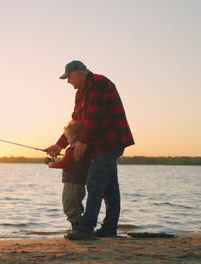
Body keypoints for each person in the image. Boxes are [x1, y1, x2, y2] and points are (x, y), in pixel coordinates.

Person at [45, 60, 134, 240]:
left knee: (94, 182)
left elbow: (95, 116)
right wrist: (60, 144)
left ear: (79, 73)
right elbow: (76, 122)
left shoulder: (99, 84)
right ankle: (109, 229)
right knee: (110, 187)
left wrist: (83, 141)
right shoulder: (81, 93)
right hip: (98, 143)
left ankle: (85, 229)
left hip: (111, 141)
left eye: (68, 77)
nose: (68, 82)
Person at [46, 120, 91, 232]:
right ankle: (81, 228)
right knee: (77, 206)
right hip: (80, 183)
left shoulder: (72, 149)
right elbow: (71, 162)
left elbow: (65, 163)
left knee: (69, 205)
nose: (67, 140)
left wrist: (52, 164)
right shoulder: (84, 149)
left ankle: (77, 229)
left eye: (67, 137)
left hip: (71, 183)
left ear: (73, 135)